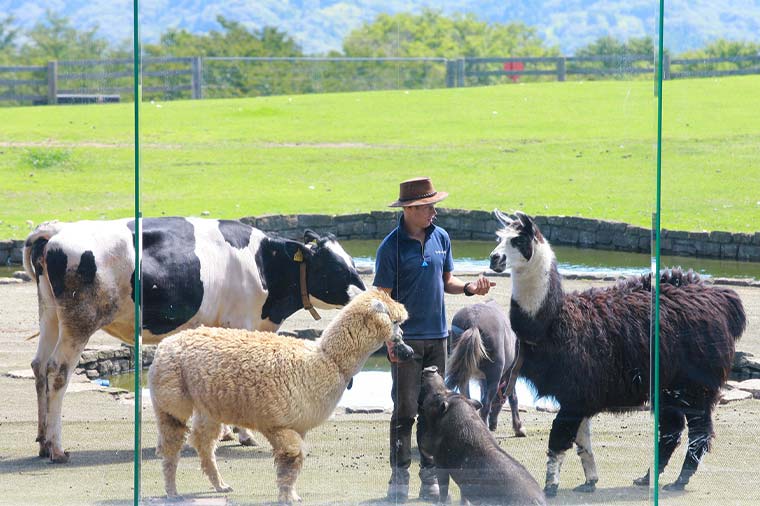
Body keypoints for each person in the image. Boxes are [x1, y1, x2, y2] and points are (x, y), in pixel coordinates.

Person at [373, 177, 494, 503]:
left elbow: (447, 281)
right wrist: (390, 339)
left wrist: (469, 288)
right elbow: (380, 299)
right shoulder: (390, 248)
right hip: (407, 342)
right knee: (405, 411)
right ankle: (398, 479)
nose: (434, 213)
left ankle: (430, 480)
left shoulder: (441, 237)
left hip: (438, 339)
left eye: (434, 206)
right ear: (410, 209)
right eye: (428, 207)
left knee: (433, 412)